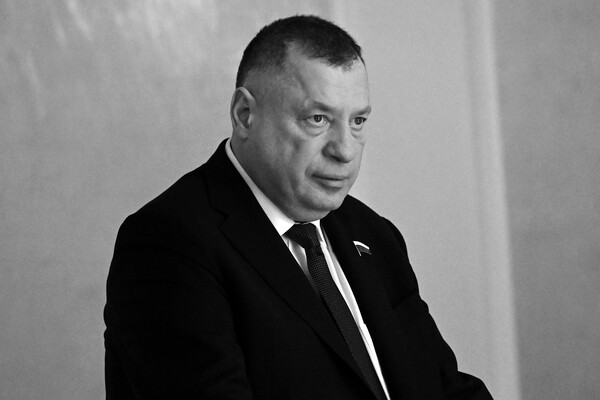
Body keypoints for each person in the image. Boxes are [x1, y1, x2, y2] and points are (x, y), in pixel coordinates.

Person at [104, 15, 493, 400]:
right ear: (245, 115)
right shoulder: (168, 243)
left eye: (358, 121)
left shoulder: (374, 234)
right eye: (318, 119)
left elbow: (443, 386)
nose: (345, 150)